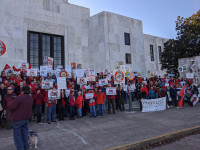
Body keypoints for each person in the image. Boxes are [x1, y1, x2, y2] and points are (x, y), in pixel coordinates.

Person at [9, 86, 33, 150]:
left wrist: (13, 100)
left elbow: (11, 106)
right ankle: (26, 147)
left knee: (18, 135)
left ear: (22, 91)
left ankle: (20, 148)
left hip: (18, 119)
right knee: (25, 134)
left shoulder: (20, 98)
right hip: (26, 118)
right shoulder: (30, 98)